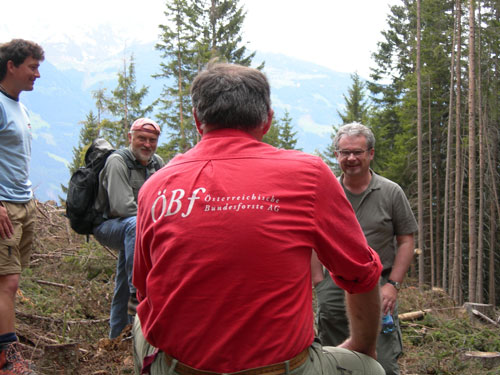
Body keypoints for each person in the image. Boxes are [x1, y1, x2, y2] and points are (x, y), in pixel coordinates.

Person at [132, 63, 385, 375]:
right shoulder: (308, 174)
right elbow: (360, 272)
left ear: (198, 120)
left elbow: (144, 287)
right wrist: (362, 347)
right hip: (280, 369)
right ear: (267, 120)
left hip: (179, 367)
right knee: (370, 369)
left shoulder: (155, 187)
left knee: (139, 323)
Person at [311, 122, 418, 375]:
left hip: (378, 291)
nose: (351, 158)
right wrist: (318, 282)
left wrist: (393, 284)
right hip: (333, 292)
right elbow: (311, 238)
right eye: (344, 152)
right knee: (332, 362)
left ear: (370, 153)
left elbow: (406, 240)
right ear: (336, 154)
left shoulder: (391, 192)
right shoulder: (325, 192)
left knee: (383, 364)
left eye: (357, 152)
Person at [93, 118, 164, 339]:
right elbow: (122, 207)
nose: (147, 144)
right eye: (141, 138)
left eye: (152, 140)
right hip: (108, 225)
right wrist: (155, 222)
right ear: (130, 138)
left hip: (136, 228)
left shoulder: (157, 163)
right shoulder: (117, 162)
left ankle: (116, 336)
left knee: (123, 276)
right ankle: (139, 293)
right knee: (134, 226)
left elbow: (165, 198)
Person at [0, 39, 44, 375]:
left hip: (23, 204)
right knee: (8, 282)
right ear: (11, 65)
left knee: (9, 280)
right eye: (32, 66)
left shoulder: (20, 107)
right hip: (4, 207)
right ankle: (8, 357)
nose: (37, 74)